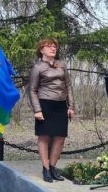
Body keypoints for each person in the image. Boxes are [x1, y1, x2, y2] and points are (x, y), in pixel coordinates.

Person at [28, 38, 75, 182]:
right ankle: (46, 169)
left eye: (54, 46)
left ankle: (53, 167)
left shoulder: (62, 65)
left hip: (61, 105)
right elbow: (32, 90)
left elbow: (68, 86)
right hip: (45, 104)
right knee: (44, 136)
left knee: (60, 137)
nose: (53, 49)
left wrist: (71, 106)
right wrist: (37, 110)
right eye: (49, 47)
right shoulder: (37, 67)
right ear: (41, 50)